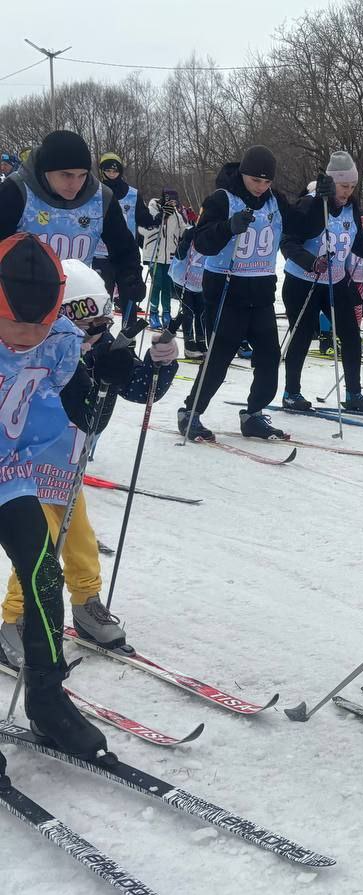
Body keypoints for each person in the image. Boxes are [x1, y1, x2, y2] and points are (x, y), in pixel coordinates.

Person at [1, 259, 179, 656]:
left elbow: (138, 388)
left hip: (69, 471)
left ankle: (85, 604)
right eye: (86, 330)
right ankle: (16, 617)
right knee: (39, 549)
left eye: (101, 328)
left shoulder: (102, 347)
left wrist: (159, 364)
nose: (93, 339)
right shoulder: (36, 351)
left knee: (79, 540)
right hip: (30, 469)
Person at [0, 234, 120, 757]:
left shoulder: (60, 339)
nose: (29, 339)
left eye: (40, 327)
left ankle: (47, 701)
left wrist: (111, 379)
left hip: (9, 472)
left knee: (44, 573)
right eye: (16, 329)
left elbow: (75, 408)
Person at [180, 144, 329, 441]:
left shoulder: (275, 201)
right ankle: (191, 411)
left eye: (266, 182)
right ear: (243, 174)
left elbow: (304, 227)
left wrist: (321, 201)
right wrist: (228, 228)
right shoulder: (223, 199)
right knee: (220, 355)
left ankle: (253, 414)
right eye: (255, 181)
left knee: (269, 356)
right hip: (226, 287)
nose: (261, 187)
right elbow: (203, 243)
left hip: (260, 290)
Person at [281, 151, 363, 414]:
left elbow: (356, 242)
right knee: (303, 335)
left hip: (335, 281)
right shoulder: (310, 204)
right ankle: (291, 392)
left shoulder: (351, 207)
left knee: (350, 335)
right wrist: (311, 262)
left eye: (352, 186)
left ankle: (353, 394)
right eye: (343, 186)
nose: (348, 192)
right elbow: (288, 242)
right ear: (331, 182)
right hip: (303, 281)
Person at [0, 131, 145, 310]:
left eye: (82, 175)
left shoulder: (101, 198)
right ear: (46, 169)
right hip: (19, 306)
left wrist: (130, 275)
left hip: (74, 305)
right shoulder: (16, 191)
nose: (75, 184)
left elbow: (123, 246)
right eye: (66, 175)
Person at [94, 152, 160, 306]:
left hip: (125, 254)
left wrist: (159, 217)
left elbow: (143, 218)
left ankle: (128, 327)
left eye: (115, 171)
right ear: (102, 171)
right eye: (108, 171)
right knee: (102, 300)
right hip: (101, 254)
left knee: (129, 298)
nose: (111, 174)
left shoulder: (132, 194)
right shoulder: (95, 192)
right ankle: (102, 329)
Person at [140, 188, 184, 329]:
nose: (172, 204)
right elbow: (143, 229)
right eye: (169, 200)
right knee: (157, 283)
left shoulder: (177, 214)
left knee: (167, 286)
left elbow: (183, 229)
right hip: (154, 254)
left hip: (169, 256)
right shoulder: (152, 209)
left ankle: (166, 313)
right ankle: (153, 313)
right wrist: (161, 217)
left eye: (174, 201)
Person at [168, 224, 207, 357]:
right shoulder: (192, 231)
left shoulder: (212, 234)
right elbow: (179, 254)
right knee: (188, 311)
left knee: (201, 313)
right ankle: (189, 345)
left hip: (199, 283)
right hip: (181, 279)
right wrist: (186, 240)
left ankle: (201, 342)